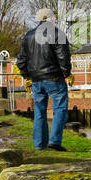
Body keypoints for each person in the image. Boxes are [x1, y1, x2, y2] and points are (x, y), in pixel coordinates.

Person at [16, 9, 72, 151]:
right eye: (54, 17)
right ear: (50, 19)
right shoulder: (57, 33)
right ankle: (54, 142)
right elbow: (63, 57)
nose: (55, 20)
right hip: (54, 78)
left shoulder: (28, 35)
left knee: (39, 111)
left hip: (36, 79)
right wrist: (67, 73)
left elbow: (21, 60)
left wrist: (26, 76)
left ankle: (39, 145)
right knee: (60, 108)